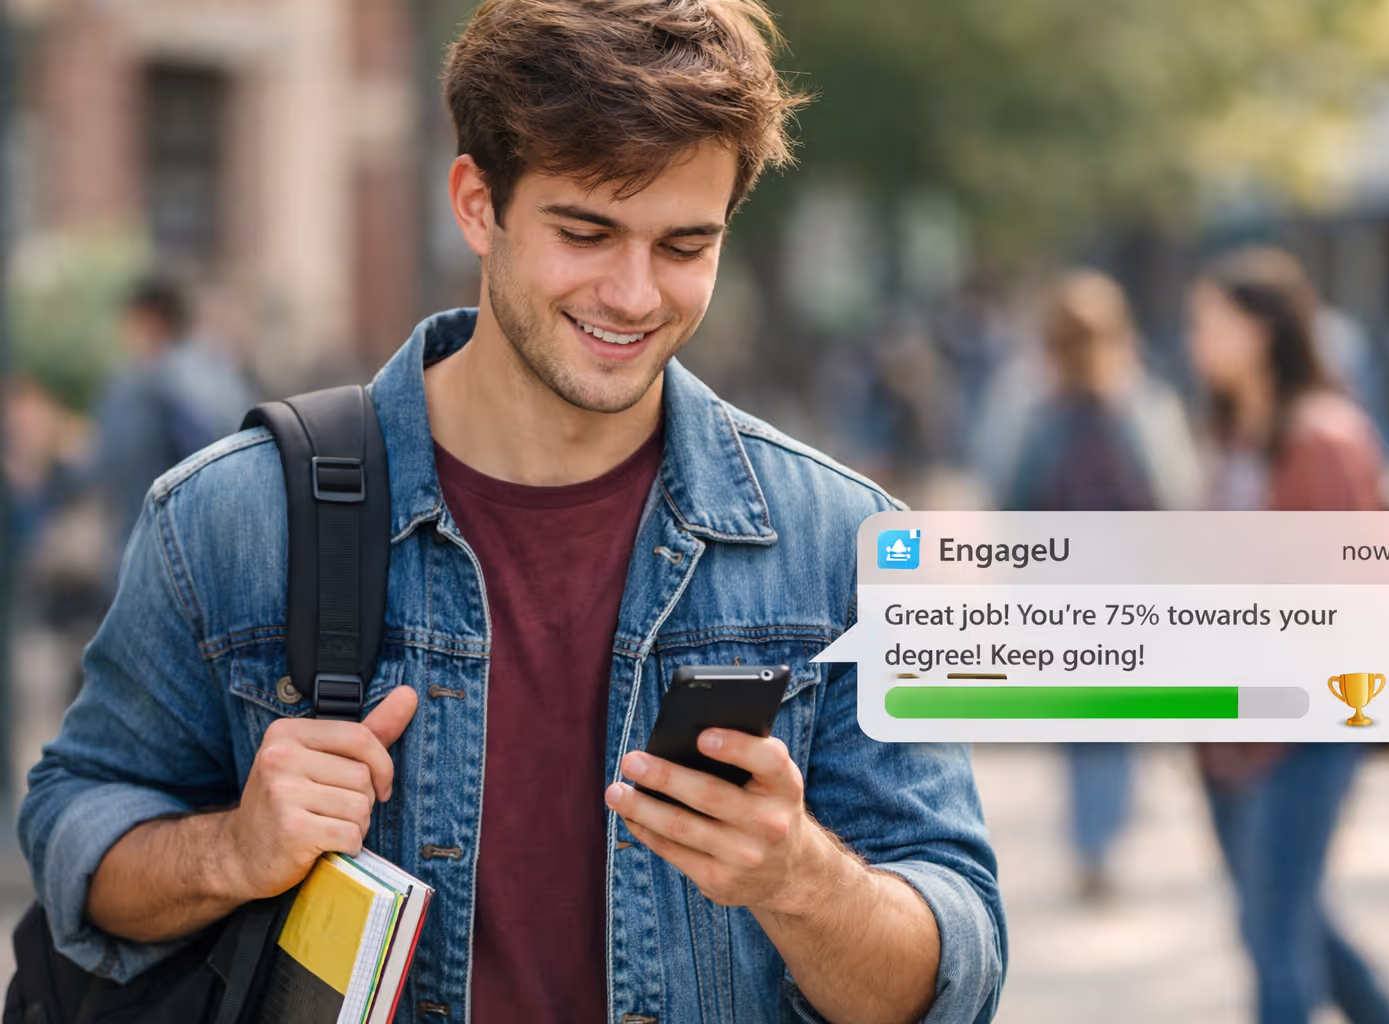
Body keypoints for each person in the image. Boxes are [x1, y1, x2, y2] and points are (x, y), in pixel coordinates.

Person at [18, 3, 1006, 1022]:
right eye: (586, 231)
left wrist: (800, 876)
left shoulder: (845, 546)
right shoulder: (229, 518)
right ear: (476, 202)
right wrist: (232, 849)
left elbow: (957, 968)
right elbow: (76, 833)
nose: (632, 294)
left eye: (683, 245)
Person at [1184, 247, 1389, 1024]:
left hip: (1304, 728)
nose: (1195, 340)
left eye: (1210, 321)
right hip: (1228, 727)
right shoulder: (1236, 437)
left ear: (1264, 328)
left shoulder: (1325, 438)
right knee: (1292, 924)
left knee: (1276, 938)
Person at [1003, 270, 1199, 903]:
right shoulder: (1120, 406)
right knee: (1102, 721)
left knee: (1093, 722)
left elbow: (1012, 500)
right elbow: (1173, 495)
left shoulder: (1062, 409)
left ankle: (1097, 836)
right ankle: (1098, 836)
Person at [83, 277, 255, 563]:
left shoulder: (140, 385)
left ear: (148, 320)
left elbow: (111, 462)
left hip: (154, 547)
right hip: (212, 549)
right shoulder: (224, 378)